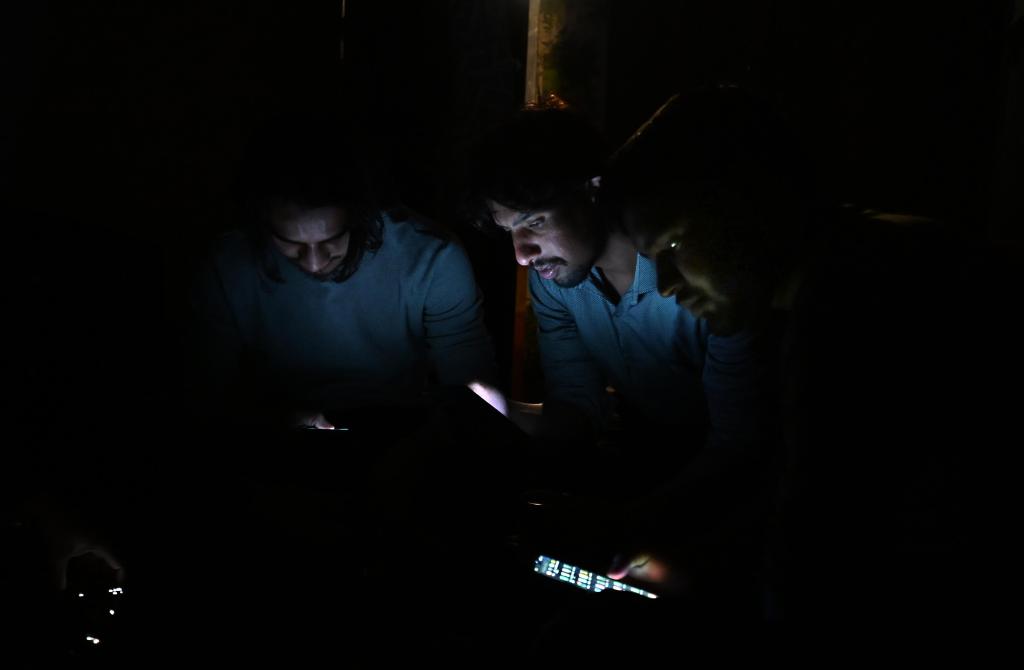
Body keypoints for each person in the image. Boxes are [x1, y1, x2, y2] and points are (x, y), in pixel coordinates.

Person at [602, 84, 1018, 639]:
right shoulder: (872, 256)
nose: (667, 285)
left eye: (673, 248)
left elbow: (816, 553)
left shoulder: (856, 297)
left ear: (745, 201)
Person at [190, 113, 505, 429]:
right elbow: (207, 388)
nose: (314, 262)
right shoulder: (227, 264)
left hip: (398, 434)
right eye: (291, 244)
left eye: (332, 239)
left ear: (360, 217)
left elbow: (469, 373)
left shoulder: (430, 257)